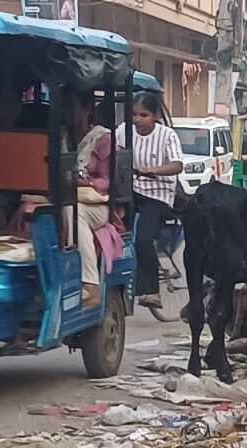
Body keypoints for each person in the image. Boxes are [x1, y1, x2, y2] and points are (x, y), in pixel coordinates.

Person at [116, 92, 182, 309]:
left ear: (154, 116)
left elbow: (177, 165)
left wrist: (153, 170)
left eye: (143, 115)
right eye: (134, 114)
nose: (137, 119)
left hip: (158, 195)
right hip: (130, 190)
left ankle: (151, 290)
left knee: (143, 239)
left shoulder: (167, 135)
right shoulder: (122, 132)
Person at [66, 91, 115, 307]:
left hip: (96, 206)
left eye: (72, 107)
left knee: (73, 213)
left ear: (87, 110)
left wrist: (83, 183)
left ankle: (89, 282)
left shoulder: (102, 139)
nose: (66, 113)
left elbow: (108, 182)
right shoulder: (60, 137)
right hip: (62, 197)